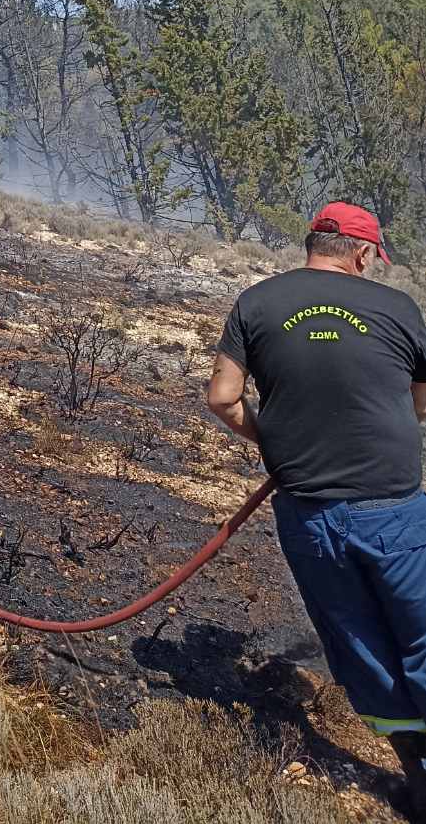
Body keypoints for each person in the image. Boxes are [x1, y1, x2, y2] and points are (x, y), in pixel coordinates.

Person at [208, 202, 426, 816]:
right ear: (361, 253)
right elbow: (420, 405)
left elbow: (223, 399)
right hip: (393, 512)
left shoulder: (256, 302)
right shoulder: (399, 309)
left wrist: (282, 440)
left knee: (358, 643)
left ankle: (416, 778)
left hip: (307, 514)